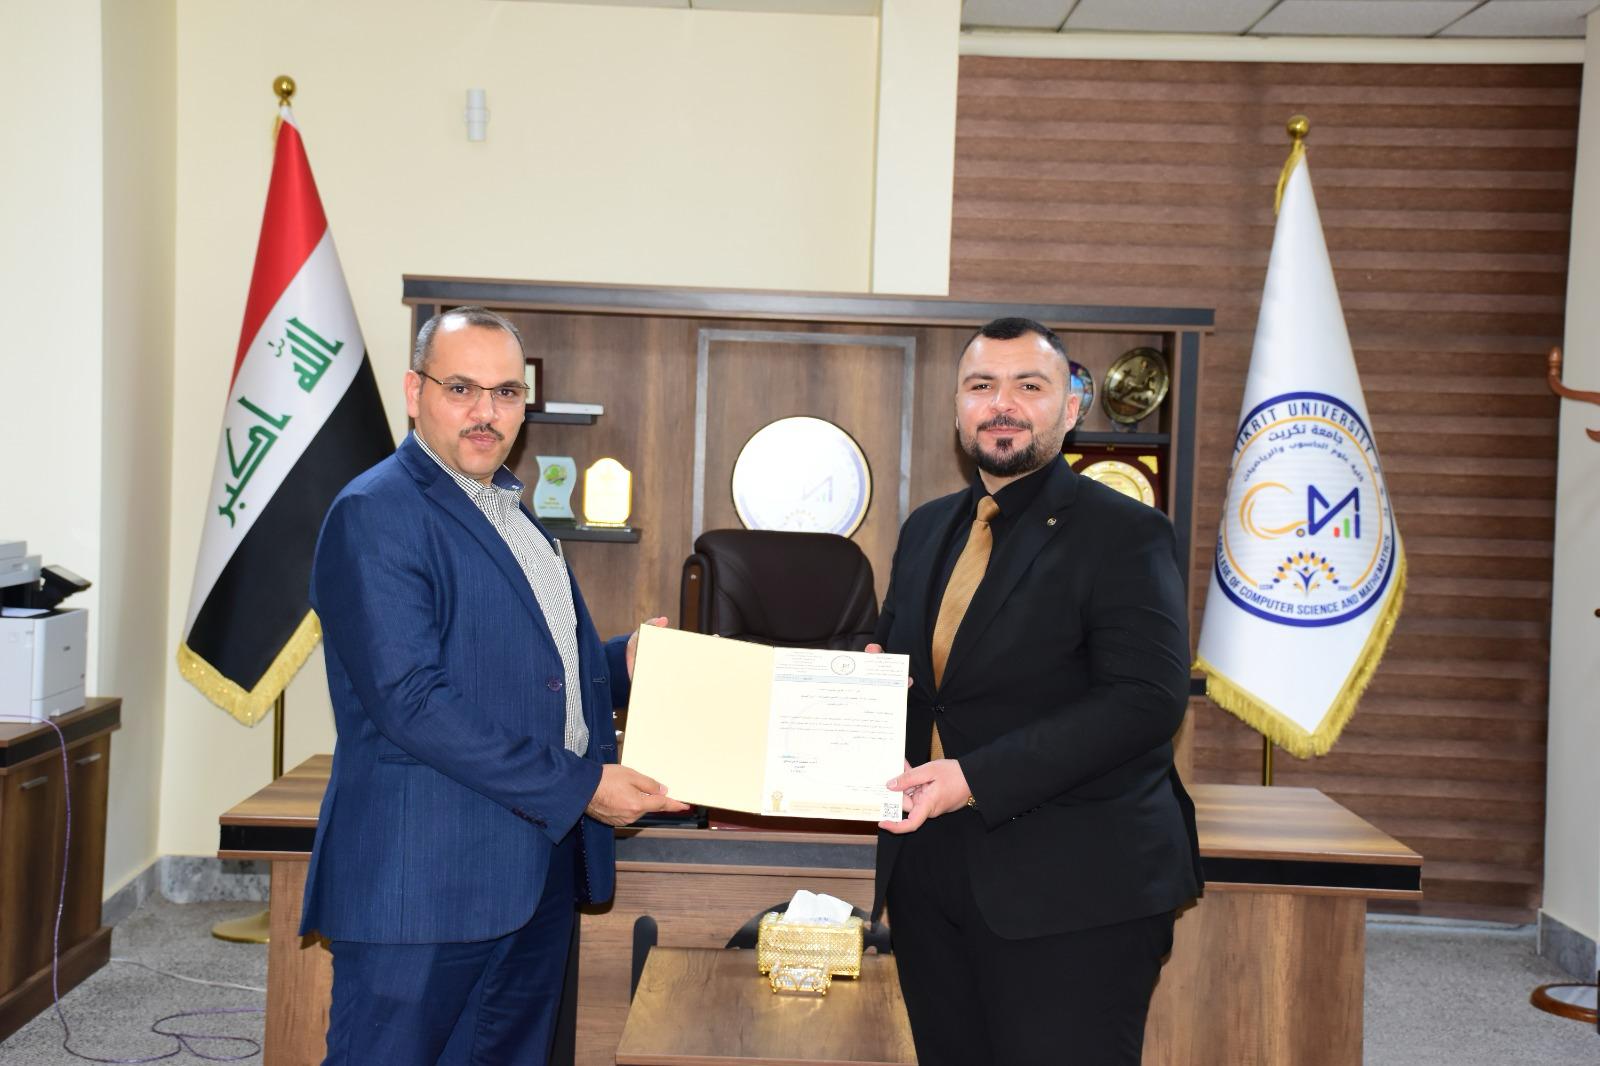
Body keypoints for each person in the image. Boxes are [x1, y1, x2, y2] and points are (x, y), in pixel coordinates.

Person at [299, 305, 688, 1065]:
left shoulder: (509, 508)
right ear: (415, 392)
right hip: (424, 882)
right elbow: (413, 701)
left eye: (506, 392)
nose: (487, 412)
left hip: (531, 872)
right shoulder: (376, 512)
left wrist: (621, 664)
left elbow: (530, 670)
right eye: (462, 389)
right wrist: (582, 787)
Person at [868, 317, 1203, 1066]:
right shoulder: (927, 529)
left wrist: (973, 778)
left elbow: (1145, 700)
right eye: (981, 386)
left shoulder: (1126, 533)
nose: (1003, 404)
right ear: (958, 409)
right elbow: (905, 667)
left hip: (1075, 887)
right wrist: (862, 678)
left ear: (1071, 406)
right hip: (930, 875)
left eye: (1029, 385)